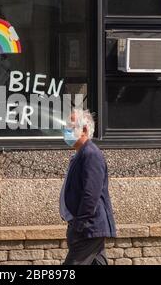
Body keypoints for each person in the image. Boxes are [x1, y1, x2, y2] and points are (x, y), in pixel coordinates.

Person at [60, 108, 116, 265]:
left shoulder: (91, 154)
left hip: (88, 229)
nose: (66, 131)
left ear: (84, 129)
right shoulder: (81, 154)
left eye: (70, 127)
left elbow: (91, 194)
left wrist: (79, 225)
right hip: (88, 228)